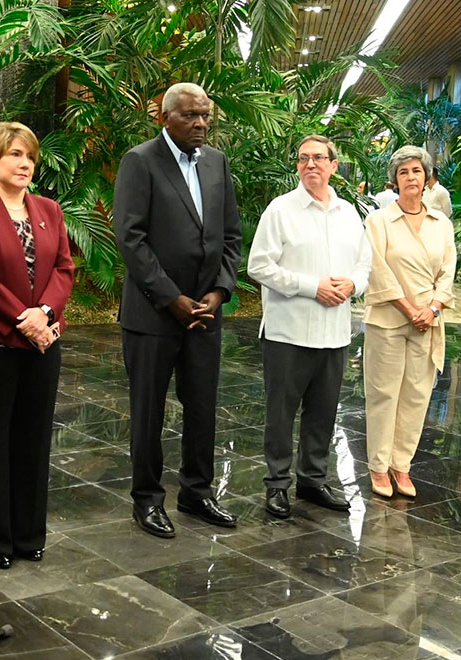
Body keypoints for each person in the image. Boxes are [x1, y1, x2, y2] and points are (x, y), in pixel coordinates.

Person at [113, 82, 242, 538]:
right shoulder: (140, 161)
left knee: (203, 406)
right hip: (153, 315)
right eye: (190, 115)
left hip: (205, 312)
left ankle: (197, 491)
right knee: (148, 410)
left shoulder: (216, 163)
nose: (202, 123)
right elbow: (131, 238)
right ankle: (147, 499)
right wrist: (172, 299)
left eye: (206, 115)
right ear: (164, 118)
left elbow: (229, 236)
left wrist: (220, 292)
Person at [0, 122, 74, 569]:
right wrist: (26, 319)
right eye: (14, 155)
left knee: (33, 443)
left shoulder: (49, 210)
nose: (24, 164)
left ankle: (27, 535)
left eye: (30, 157)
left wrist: (46, 313)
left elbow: (63, 269)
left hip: (41, 345)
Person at [247, 134, 371, 519]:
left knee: (323, 411)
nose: (311, 164)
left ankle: (313, 480)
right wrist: (310, 286)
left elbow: (364, 265)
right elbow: (259, 266)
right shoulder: (280, 210)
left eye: (319, 157)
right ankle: (278, 484)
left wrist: (353, 284)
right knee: (281, 413)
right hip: (289, 332)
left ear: (335, 165)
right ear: (298, 166)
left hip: (334, 332)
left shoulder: (349, 213)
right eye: (304, 158)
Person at [364, 145, 456, 499]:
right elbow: (376, 268)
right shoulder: (379, 221)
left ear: (427, 177)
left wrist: (431, 308)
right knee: (384, 394)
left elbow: (448, 272)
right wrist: (408, 308)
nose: (410, 178)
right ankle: (378, 466)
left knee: (416, 396)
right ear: (394, 180)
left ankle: (401, 466)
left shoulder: (441, 224)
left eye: (416, 171)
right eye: (403, 172)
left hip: (427, 321)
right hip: (389, 318)